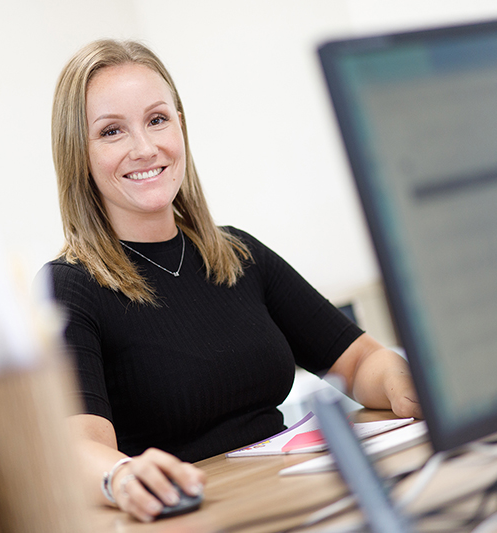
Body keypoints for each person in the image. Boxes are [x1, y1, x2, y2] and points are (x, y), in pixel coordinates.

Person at [39, 38, 422, 523]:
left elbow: (360, 359)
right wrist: (122, 475)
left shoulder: (238, 253)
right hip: (196, 518)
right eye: (112, 131)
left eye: (157, 120)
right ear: (79, 153)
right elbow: (77, 449)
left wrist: (400, 381)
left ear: (180, 126)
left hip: (297, 501)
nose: (145, 147)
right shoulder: (70, 288)